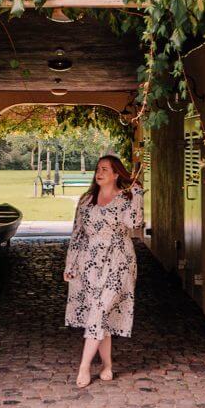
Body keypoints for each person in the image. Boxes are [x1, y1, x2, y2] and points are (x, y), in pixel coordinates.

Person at [63, 154, 144, 388]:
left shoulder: (126, 198)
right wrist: (71, 264)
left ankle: (84, 367)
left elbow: (134, 224)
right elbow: (77, 234)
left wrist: (137, 195)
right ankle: (107, 365)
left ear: (117, 174)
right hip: (90, 263)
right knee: (100, 318)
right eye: (98, 168)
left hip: (119, 261)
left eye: (105, 169)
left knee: (98, 312)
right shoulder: (86, 200)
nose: (99, 173)